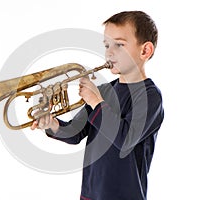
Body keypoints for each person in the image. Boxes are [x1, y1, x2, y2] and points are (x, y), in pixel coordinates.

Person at [31, 11, 164, 200]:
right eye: (107, 45)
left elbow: (125, 139)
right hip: (90, 194)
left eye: (119, 45)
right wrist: (51, 124)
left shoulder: (150, 96)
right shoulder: (104, 91)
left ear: (145, 51)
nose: (109, 52)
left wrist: (95, 101)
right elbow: (75, 133)